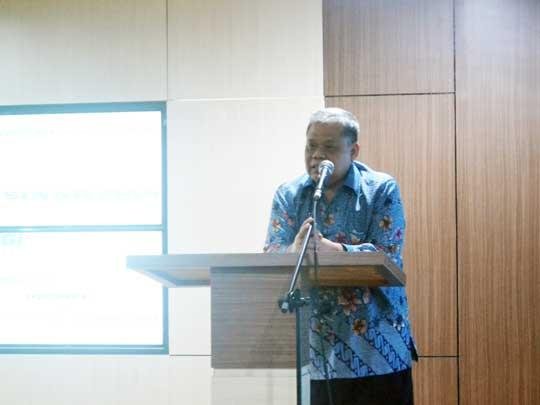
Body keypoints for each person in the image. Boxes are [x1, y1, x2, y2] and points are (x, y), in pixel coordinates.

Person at [264, 108, 417, 405]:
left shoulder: (381, 189)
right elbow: (271, 252)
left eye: (329, 147)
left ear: (353, 151)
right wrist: (294, 250)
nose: (317, 155)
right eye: (311, 145)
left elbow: (389, 257)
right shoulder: (288, 194)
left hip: (377, 351)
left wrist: (337, 251)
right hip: (315, 354)